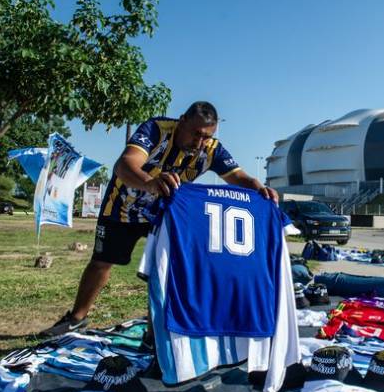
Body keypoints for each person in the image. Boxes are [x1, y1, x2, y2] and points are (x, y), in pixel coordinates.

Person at [39, 101, 278, 337]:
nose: (200, 142)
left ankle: (156, 335)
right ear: (182, 121)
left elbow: (238, 176)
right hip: (121, 207)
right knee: (102, 262)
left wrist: (260, 189)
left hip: (163, 215)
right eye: (196, 134)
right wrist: (149, 182)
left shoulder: (211, 149)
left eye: (206, 136)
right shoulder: (156, 129)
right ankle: (76, 319)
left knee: (164, 271)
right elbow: (124, 164)